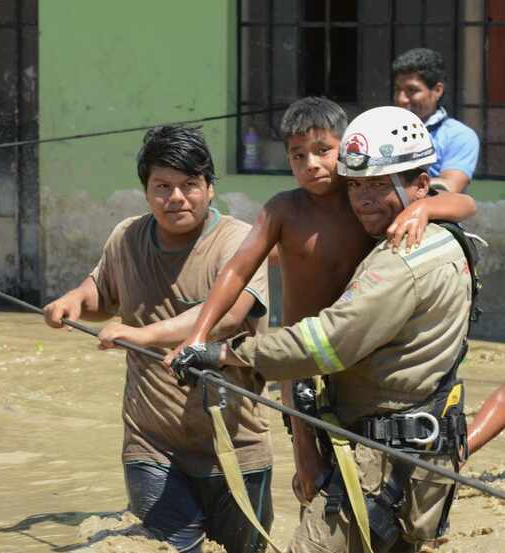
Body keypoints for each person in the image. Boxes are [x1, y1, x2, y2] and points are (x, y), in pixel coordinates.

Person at [174, 106, 474, 553]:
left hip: (348, 386)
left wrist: (224, 354)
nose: (365, 198)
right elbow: (238, 271)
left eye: (377, 184)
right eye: (358, 185)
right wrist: (199, 335)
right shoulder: (292, 211)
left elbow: (329, 341)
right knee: (312, 481)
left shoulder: (396, 245)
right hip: (319, 378)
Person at [43, 125, 273, 553]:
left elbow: (227, 316)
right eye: (162, 186)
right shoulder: (127, 236)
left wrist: (143, 334)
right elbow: (102, 293)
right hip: (153, 444)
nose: (177, 198)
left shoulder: (241, 241)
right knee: (172, 547)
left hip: (236, 446)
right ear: (146, 191)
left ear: (210, 187)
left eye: (189, 185)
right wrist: (73, 300)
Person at [393, 47, 480, 193]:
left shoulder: (459, 136)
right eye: (397, 89)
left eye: (412, 90)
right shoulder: (384, 128)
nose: (401, 99)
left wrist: (391, 187)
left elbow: (449, 187)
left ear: (437, 90)